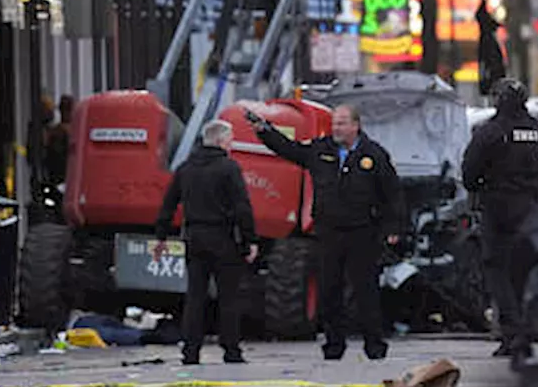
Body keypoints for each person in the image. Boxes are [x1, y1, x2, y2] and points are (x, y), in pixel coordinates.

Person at [248, 105, 406, 360]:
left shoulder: (373, 155)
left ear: (356, 125)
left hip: (362, 232)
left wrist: (394, 227)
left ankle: (374, 345)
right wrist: (265, 132)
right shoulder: (321, 149)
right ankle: (334, 345)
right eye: (334, 123)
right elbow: (291, 150)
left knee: (365, 291)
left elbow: (392, 193)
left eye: (342, 123)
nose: (336, 128)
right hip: (328, 232)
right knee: (328, 291)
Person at [461, 79, 538, 358]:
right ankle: (526, 331)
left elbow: (469, 173)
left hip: (498, 210)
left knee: (498, 271)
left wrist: (484, 187)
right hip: (530, 209)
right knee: (524, 272)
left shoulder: (491, 132)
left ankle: (512, 333)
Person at [155, 119, 258, 365]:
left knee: (195, 297)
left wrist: (161, 236)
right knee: (228, 298)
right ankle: (231, 350)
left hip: (194, 238)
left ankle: (191, 351)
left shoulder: (186, 168)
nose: (231, 144)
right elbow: (242, 207)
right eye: (230, 140)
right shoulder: (229, 168)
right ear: (222, 141)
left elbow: (168, 204)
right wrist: (249, 240)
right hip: (223, 239)